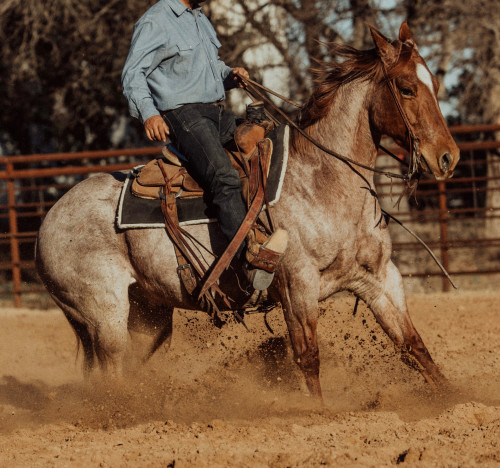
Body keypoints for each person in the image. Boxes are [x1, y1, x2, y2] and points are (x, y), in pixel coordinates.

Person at [122, 0, 286, 290]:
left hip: (214, 112)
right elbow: (133, 73)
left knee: (268, 144)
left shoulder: (198, 17)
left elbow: (209, 68)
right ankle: (248, 261)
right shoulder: (156, 20)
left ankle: (262, 231)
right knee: (223, 176)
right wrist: (149, 114)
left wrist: (229, 75)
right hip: (182, 115)